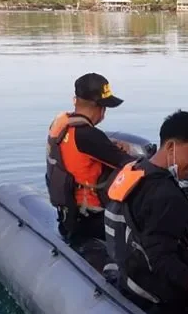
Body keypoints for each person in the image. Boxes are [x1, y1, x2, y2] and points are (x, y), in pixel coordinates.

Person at [102, 110, 188, 313]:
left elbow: (149, 230)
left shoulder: (137, 170)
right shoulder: (167, 196)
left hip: (130, 273)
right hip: (153, 290)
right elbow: (162, 260)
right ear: (171, 146)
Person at [46, 73, 136, 243]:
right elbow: (132, 165)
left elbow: (81, 151)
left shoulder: (62, 123)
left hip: (69, 216)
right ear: (99, 107)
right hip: (92, 221)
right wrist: (130, 150)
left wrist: (108, 145)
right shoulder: (89, 136)